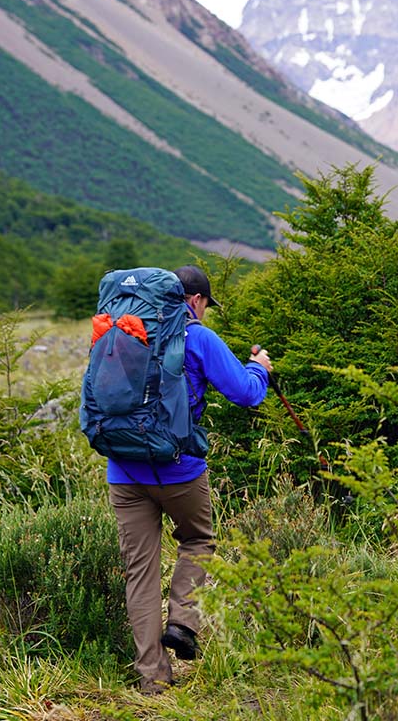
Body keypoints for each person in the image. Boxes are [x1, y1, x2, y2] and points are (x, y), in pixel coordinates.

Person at [108, 264, 272, 695]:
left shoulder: (123, 330)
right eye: (206, 305)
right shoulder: (197, 335)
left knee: (140, 573)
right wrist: (260, 368)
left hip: (123, 471)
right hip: (179, 468)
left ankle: (153, 681)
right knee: (198, 541)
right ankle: (182, 622)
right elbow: (246, 393)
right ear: (196, 301)